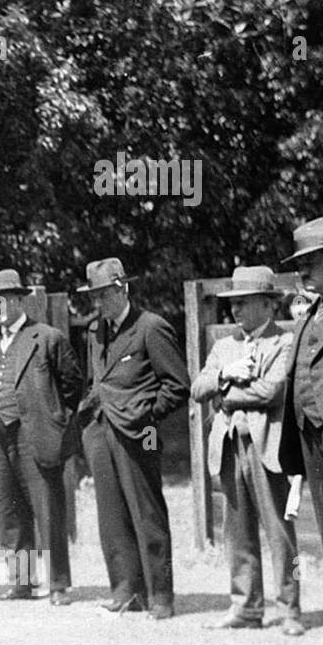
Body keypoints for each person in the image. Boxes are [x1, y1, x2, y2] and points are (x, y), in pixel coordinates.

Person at [190, 266, 302, 635]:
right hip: (228, 446)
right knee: (236, 533)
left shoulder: (284, 342)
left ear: (269, 305)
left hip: (267, 447)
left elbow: (272, 392)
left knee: (279, 531)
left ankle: (289, 610)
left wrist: (224, 397)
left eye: (245, 302)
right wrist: (225, 375)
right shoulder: (224, 347)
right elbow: (197, 388)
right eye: (233, 303)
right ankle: (246, 607)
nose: (236, 310)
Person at [76, 258, 189, 619]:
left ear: (123, 288)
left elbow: (178, 385)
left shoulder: (150, 327)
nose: (98, 303)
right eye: (93, 296)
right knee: (111, 515)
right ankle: (126, 592)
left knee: (147, 510)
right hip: (101, 430)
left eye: (104, 295)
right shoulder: (95, 331)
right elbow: (96, 380)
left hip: (143, 432)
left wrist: (147, 414)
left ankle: (161, 596)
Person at [0, 269, 84, 604]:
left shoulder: (47, 337)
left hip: (34, 434)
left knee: (47, 509)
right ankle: (21, 583)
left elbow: (72, 385)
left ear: (19, 301)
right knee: (9, 511)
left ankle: (58, 585)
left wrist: (55, 422)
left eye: (3, 300)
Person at [277, 217, 323, 645]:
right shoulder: (311, 313)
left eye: (312, 260)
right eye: (299, 262)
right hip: (314, 440)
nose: (302, 270)